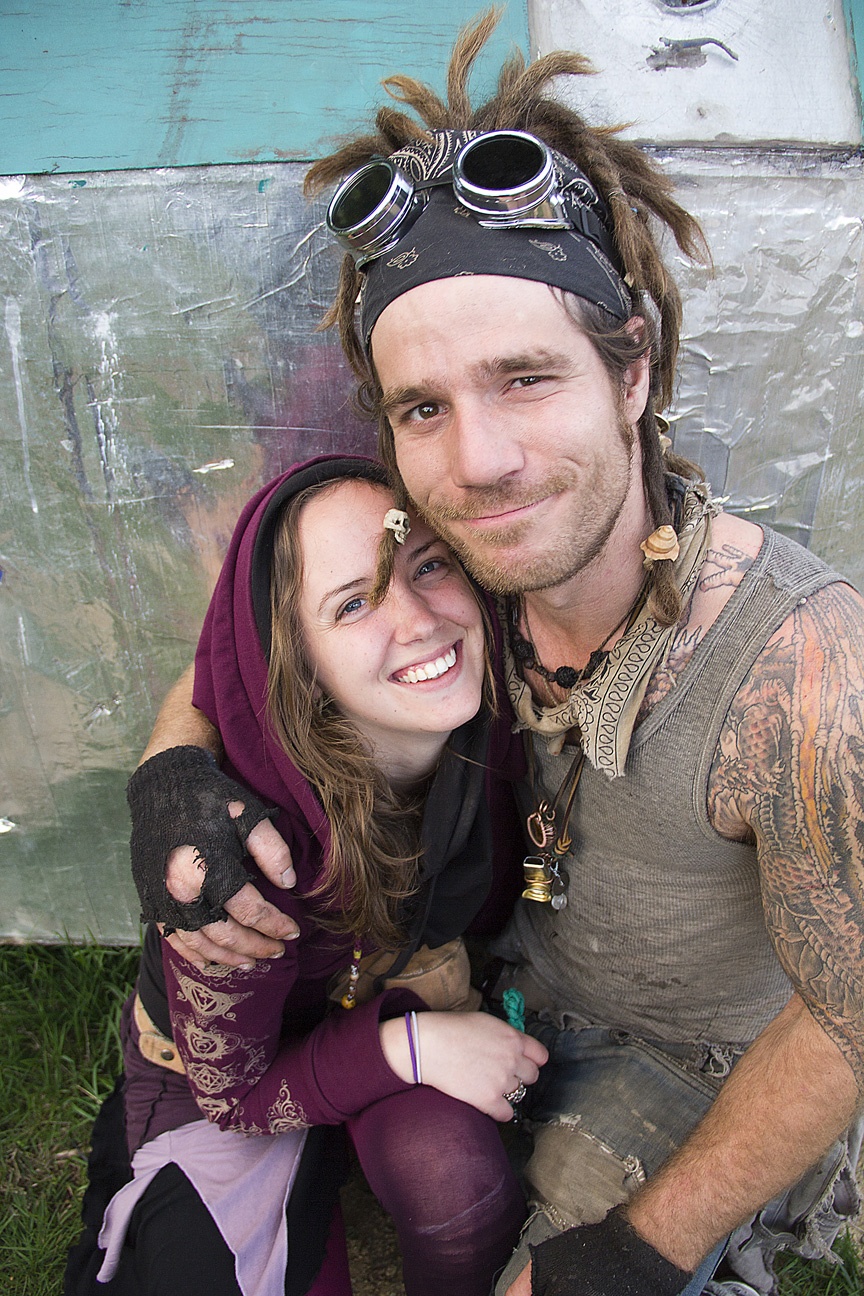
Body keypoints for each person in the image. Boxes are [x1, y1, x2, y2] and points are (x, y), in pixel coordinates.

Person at [120, 12, 864, 1296]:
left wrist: (638, 1251)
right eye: (426, 406)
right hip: (483, 984)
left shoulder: (799, 671)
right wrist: (172, 775)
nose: (480, 462)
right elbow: (253, 646)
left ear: (632, 373)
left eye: (527, 379)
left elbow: (852, 1015)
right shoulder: (455, 581)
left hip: (684, 1062)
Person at [66, 454, 548, 1296]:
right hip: (228, 1081)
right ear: (298, 664)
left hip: (394, 996)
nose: (420, 620)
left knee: (457, 1185)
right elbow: (236, 1098)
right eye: (354, 603)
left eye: (429, 566)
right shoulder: (237, 862)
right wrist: (411, 1048)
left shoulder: (499, 713)